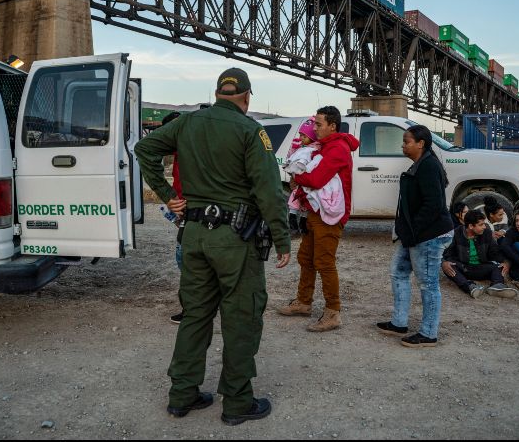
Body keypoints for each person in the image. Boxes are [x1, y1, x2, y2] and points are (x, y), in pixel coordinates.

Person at [134, 67, 291, 426]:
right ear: (247, 97)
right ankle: (237, 403)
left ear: (218, 93)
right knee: (241, 317)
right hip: (234, 241)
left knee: (195, 314)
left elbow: (145, 148)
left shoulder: (188, 122)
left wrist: (169, 195)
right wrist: (282, 239)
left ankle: (182, 395)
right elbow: (269, 190)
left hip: (194, 235)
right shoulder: (252, 130)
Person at [277, 106, 359, 332]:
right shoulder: (325, 146)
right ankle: (304, 303)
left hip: (330, 215)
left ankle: (333, 312)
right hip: (317, 212)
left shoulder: (337, 149)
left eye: (319, 124)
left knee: (324, 261)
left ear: (333, 126)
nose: (314, 129)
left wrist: (297, 176)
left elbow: (316, 178)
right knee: (306, 257)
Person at [376, 125, 454, 348]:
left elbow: (433, 205)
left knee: (428, 284)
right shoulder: (421, 164)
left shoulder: (428, 166)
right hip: (414, 234)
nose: (403, 145)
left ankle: (429, 333)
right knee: (398, 273)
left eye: (406, 141)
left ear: (421, 143)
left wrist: (413, 231)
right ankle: (399, 322)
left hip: (429, 235)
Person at [442, 210, 517, 299]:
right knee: (449, 267)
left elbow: (495, 252)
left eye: (484, 224)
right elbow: (445, 253)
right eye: (481, 225)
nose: (484, 227)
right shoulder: (456, 233)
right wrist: (443, 262)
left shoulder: (487, 233)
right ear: (470, 226)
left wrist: (506, 262)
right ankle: (469, 287)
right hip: (463, 267)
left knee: (499, 266)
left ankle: (497, 286)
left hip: (481, 267)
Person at [160, 111, 186, 324]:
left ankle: (192, 310)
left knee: (184, 258)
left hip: (191, 210)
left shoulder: (188, 150)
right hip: (185, 209)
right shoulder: (181, 150)